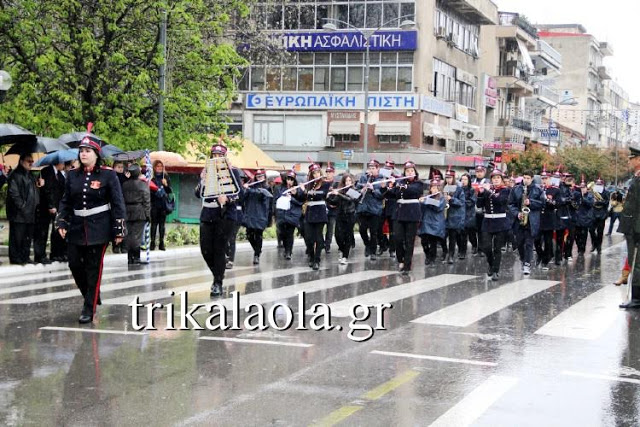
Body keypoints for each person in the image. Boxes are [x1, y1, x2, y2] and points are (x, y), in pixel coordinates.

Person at [56, 136, 126, 323]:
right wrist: (61, 221)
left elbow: (117, 203)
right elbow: (66, 201)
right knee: (74, 264)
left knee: (94, 268)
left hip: (99, 228)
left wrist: (119, 229)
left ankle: (89, 308)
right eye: (81, 150)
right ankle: (91, 293)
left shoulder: (108, 174)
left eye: (88, 151)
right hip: (77, 227)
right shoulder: (73, 174)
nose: (83, 153)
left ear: (96, 154)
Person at [195, 143, 244, 297]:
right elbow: (198, 193)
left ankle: (217, 282)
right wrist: (202, 180)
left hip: (225, 215)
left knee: (219, 248)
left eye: (219, 156)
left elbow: (240, 193)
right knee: (206, 249)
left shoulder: (232, 172)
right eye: (214, 155)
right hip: (208, 213)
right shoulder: (207, 171)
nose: (216, 158)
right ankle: (219, 271)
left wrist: (228, 199)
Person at [388, 162, 424, 275]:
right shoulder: (399, 182)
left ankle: (407, 265)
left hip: (412, 214)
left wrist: (404, 187)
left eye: (411, 171)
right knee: (397, 238)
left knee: (409, 241)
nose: (409, 173)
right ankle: (401, 259)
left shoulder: (419, 183)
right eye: (407, 171)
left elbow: (415, 191)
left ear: (415, 172)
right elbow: (390, 195)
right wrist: (389, 186)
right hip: (399, 214)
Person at [7, 153, 41, 265]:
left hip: (30, 212)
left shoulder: (30, 175)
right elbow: (14, 193)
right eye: (28, 161)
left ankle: (25, 257)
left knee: (27, 237)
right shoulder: (15, 175)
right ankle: (16, 258)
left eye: (32, 161)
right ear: (21, 161)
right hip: (19, 213)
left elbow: (33, 191)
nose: (31, 163)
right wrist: (22, 206)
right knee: (17, 237)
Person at [477, 169, 511, 281]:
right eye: (494, 178)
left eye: (498, 178)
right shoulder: (488, 190)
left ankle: (496, 270)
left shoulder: (505, 190)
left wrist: (487, 192)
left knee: (497, 248)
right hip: (487, 222)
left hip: (500, 222)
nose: (495, 180)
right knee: (486, 247)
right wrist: (480, 193)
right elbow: (479, 204)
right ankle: (491, 264)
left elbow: (499, 200)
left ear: (501, 180)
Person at [508, 170, 544, 275]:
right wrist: (517, 213)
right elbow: (510, 204)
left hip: (531, 221)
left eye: (528, 178)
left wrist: (531, 202)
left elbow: (542, 203)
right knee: (519, 243)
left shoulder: (538, 190)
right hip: (520, 219)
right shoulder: (516, 189)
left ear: (532, 178)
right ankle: (524, 260)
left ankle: (527, 263)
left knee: (529, 243)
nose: (526, 180)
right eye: (524, 177)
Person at [618, 146, 640, 308]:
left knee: (636, 262)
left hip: (635, 228)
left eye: (632, 158)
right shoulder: (636, 177)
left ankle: (637, 298)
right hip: (631, 226)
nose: (630, 161)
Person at [34, 162, 65, 264]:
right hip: (45, 207)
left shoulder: (60, 175)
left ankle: (56, 253)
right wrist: (50, 205)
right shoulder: (46, 171)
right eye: (63, 162)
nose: (64, 164)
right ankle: (40, 255)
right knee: (42, 231)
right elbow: (46, 189)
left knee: (56, 231)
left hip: (57, 207)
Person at [356, 159, 387, 260]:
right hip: (363, 208)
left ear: (378, 169)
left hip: (375, 209)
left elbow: (382, 195)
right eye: (370, 168)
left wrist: (373, 190)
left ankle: (373, 251)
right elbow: (357, 188)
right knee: (362, 230)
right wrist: (362, 189)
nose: (371, 170)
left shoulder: (382, 179)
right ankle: (367, 245)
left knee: (373, 232)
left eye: (373, 168)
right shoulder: (364, 177)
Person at [303, 163, 331, 270]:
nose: (316, 175)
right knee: (309, 238)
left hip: (319, 213)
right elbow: (304, 197)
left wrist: (308, 192)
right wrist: (298, 191)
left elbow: (321, 194)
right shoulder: (309, 184)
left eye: (317, 172)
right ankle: (311, 256)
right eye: (314, 173)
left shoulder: (325, 184)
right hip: (310, 213)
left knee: (318, 237)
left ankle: (317, 260)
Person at [121, 165, 151, 264]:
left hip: (126, 211)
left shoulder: (124, 185)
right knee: (137, 235)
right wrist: (148, 215)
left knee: (129, 235)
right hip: (139, 211)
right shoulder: (143, 185)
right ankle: (136, 257)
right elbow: (146, 201)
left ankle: (130, 257)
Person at [243, 169, 272, 265]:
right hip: (250, 214)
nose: (260, 178)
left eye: (261, 176)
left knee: (258, 235)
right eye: (258, 176)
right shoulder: (251, 186)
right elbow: (243, 197)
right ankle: (257, 250)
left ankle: (256, 255)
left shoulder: (267, 188)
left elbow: (264, 197)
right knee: (249, 235)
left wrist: (252, 190)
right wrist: (245, 189)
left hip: (261, 215)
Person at [327, 173, 358, 264]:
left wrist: (338, 194)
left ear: (352, 181)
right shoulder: (341, 191)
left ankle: (345, 256)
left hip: (350, 215)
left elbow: (349, 199)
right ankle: (341, 249)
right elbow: (334, 202)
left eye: (349, 181)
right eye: (346, 181)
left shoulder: (354, 191)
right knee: (338, 235)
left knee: (347, 236)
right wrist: (328, 196)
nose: (348, 182)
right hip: (340, 215)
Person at [274, 170, 304, 260]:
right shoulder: (279, 188)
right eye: (288, 179)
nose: (289, 181)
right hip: (281, 214)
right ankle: (286, 248)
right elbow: (275, 200)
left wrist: (292, 198)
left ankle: (288, 252)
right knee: (282, 233)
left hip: (292, 214)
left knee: (290, 233)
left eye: (292, 179)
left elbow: (300, 202)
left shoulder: (297, 189)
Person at [536, 168, 561, 270]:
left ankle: (546, 260)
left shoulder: (555, 190)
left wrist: (550, 201)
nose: (544, 180)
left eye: (546, 178)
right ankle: (541, 255)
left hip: (549, 218)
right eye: (542, 178)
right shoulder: (537, 189)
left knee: (548, 241)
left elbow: (557, 203)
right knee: (536, 240)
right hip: (538, 217)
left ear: (550, 178)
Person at [419, 177, 446, 267]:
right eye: (432, 188)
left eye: (436, 188)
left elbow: (438, 207)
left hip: (435, 223)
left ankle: (433, 259)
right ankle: (427, 255)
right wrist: (421, 202)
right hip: (426, 222)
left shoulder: (441, 197)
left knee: (433, 242)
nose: (434, 190)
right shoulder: (426, 196)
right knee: (424, 241)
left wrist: (427, 201)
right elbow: (422, 209)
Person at [443, 167, 465, 264]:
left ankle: (451, 255)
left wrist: (451, 199)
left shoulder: (459, 189)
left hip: (454, 216)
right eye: (447, 178)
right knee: (442, 237)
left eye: (450, 178)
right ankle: (445, 252)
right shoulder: (443, 188)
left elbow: (461, 202)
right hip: (443, 216)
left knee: (453, 237)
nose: (448, 180)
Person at [50, 161, 71, 262]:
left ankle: (62, 253)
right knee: (56, 231)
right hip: (55, 206)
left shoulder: (62, 176)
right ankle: (55, 253)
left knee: (62, 231)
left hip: (62, 207)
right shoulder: (49, 173)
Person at [150, 160, 172, 251]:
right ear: (154, 167)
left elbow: (170, 191)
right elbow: (149, 190)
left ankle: (161, 243)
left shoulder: (166, 177)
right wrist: (156, 191)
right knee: (154, 224)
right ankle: (152, 242)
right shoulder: (152, 178)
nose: (159, 168)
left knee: (162, 225)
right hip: (154, 203)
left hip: (163, 203)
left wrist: (165, 185)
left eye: (161, 166)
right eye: (158, 166)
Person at [572, 176, 594, 256]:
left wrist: (583, 198)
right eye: (581, 188)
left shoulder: (589, 195)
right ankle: (579, 247)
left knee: (584, 235)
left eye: (583, 188)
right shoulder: (576, 195)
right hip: (577, 219)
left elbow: (590, 204)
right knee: (576, 236)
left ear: (586, 188)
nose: (582, 189)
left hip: (585, 219)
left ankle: (582, 249)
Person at [588, 178, 610, 254]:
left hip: (602, 213)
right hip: (593, 213)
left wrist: (600, 202)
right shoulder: (593, 192)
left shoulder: (606, 192)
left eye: (600, 184)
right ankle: (594, 243)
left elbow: (607, 202)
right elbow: (590, 200)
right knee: (591, 230)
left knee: (600, 232)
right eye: (597, 184)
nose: (598, 186)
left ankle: (599, 247)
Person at [472, 165, 488, 256]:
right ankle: (475, 246)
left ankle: (481, 248)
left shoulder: (487, 182)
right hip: (472, 208)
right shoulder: (472, 181)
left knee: (481, 230)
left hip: (482, 208)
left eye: (481, 171)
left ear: (484, 172)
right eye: (477, 171)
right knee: (472, 229)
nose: (479, 173)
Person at [459, 173, 476, 260]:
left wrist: (461, 202)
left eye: (465, 179)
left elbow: (472, 202)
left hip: (469, 215)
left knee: (471, 234)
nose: (463, 181)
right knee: (462, 235)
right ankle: (462, 252)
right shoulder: (458, 189)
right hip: (461, 214)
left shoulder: (471, 190)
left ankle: (474, 245)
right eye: (462, 179)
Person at [323, 164, 337, 253]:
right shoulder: (323, 183)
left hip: (332, 209)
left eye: (330, 172)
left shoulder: (336, 184)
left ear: (333, 173)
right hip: (323, 209)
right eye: (327, 172)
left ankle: (327, 245)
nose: (328, 174)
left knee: (330, 228)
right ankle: (321, 243)